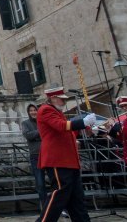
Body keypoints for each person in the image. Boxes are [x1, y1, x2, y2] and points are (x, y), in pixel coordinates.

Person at [36, 87, 96, 222]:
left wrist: (84, 129)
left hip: (68, 160)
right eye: (62, 99)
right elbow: (61, 126)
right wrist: (82, 122)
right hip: (58, 159)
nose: (64, 101)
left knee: (76, 198)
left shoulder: (56, 111)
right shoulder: (46, 110)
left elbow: (67, 133)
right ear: (53, 98)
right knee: (59, 194)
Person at [21, 103, 48, 212]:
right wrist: (41, 131)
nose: (33, 112)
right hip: (36, 155)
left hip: (48, 154)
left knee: (55, 182)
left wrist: (36, 134)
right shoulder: (25, 123)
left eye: (35, 110)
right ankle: (45, 207)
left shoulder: (44, 122)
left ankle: (57, 206)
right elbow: (28, 135)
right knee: (40, 183)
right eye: (31, 110)